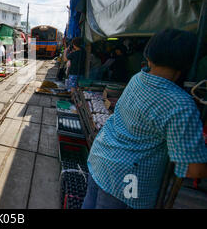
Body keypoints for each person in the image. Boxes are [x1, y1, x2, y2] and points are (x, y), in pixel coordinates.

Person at [83, 29, 207, 209]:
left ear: (149, 55)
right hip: (127, 180)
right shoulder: (181, 104)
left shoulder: (138, 79)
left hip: (100, 157)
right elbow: (193, 169)